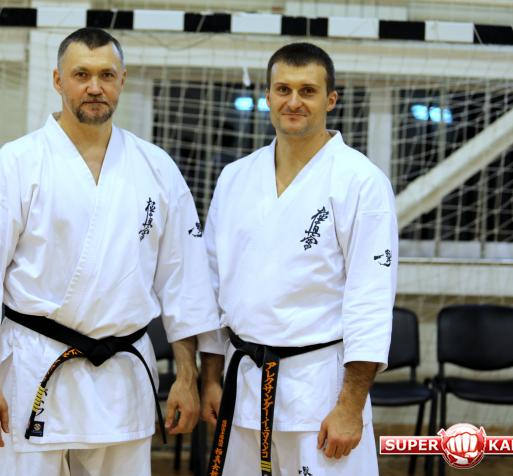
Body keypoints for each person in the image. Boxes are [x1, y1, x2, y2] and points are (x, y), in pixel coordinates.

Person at [0, 27, 220, 476]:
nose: (94, 87)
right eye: (81, 74)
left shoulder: (157, 168)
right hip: (33, 367)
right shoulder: (17, 163)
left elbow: (185, 282)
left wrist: (187, 375)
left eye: (106, 75)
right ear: (58, 80)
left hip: (121, 375)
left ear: (122, 80)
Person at [198, 42, 398, 476]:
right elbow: (211, 283)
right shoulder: (234, 178)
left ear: (330, 100)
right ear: (267, 96)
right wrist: (211, 376)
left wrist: (351, 406)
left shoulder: (361, 181)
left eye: (308, 90)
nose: (293, 101)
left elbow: (371, 300)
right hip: (243, 385)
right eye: (283, 89)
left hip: (320, 394)